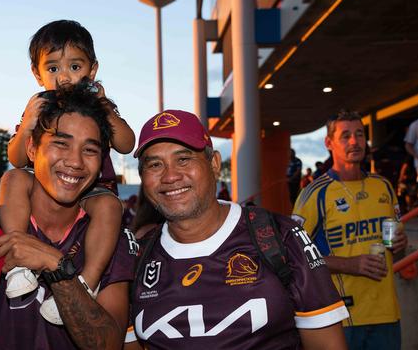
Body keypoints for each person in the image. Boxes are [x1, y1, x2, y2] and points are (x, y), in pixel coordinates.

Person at [0, 85, 136, 349]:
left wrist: (57, 266)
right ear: (31, 149)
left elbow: (107, 344)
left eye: (90, 150)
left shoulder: (107, 236)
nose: (75, 161)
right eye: (61, 143)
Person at [125, 110, 348, 349]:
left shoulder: (280, 237)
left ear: (214, 163)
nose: (170, 176)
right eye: (155, 164)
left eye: (184, 159)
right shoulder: (134, 259)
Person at [0, 19, 135, 324]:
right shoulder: (39, 105)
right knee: (13, 178)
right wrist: (28, 125)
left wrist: (106, 108)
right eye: (53, 68)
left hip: (93, 187)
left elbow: (127, 144)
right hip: (46, 186)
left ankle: (87, 281)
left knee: (110, 205)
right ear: (37, 73)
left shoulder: (97, 104)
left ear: (93, 70)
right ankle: (18, 256)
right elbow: (17, 157)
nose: (64, 78)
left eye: (75, 67)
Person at [292, 109, 408, 350]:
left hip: (386, 314)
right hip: (339, 317)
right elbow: (293, 256)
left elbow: (397, 252)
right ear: (329, 143)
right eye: (345, 136)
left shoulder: (383, 187)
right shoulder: (314, 194)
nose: (355, 141)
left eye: (359, 134)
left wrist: (400, 245)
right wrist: (349, 265)